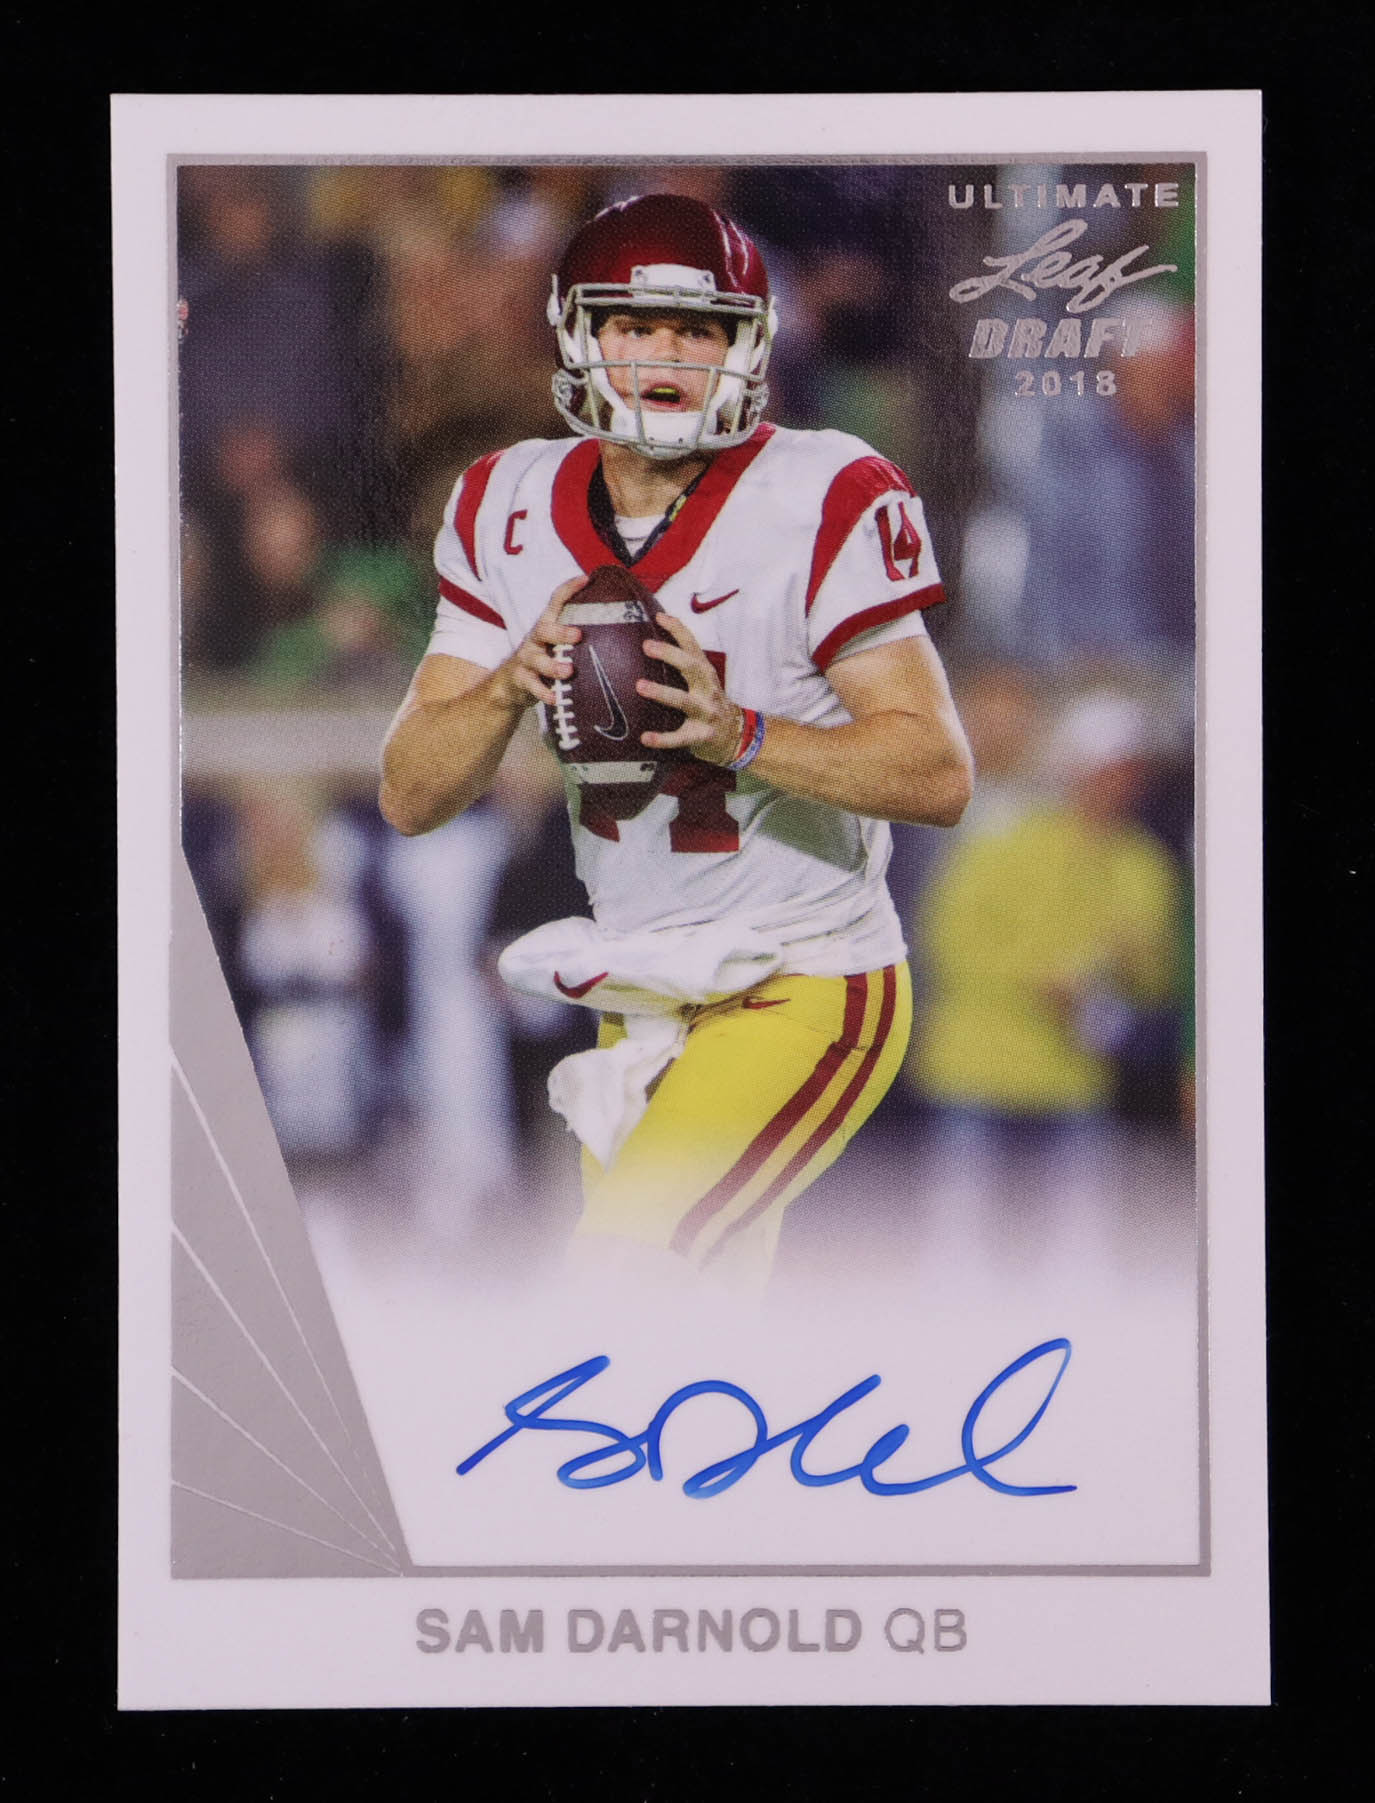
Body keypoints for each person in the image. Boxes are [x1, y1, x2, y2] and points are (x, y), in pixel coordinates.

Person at [380, 193, 972, 1288]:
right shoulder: (504, 501)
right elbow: (410, 795)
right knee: (696, 1330)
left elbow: (938, 773)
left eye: (697, 329)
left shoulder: (824, 490)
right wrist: (508, 683)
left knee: (624, 1276)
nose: (663, 356)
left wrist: (736, 732)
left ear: (747, 348)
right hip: (640, 988)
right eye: (634, 326)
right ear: (578, 336)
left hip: (803, 972)